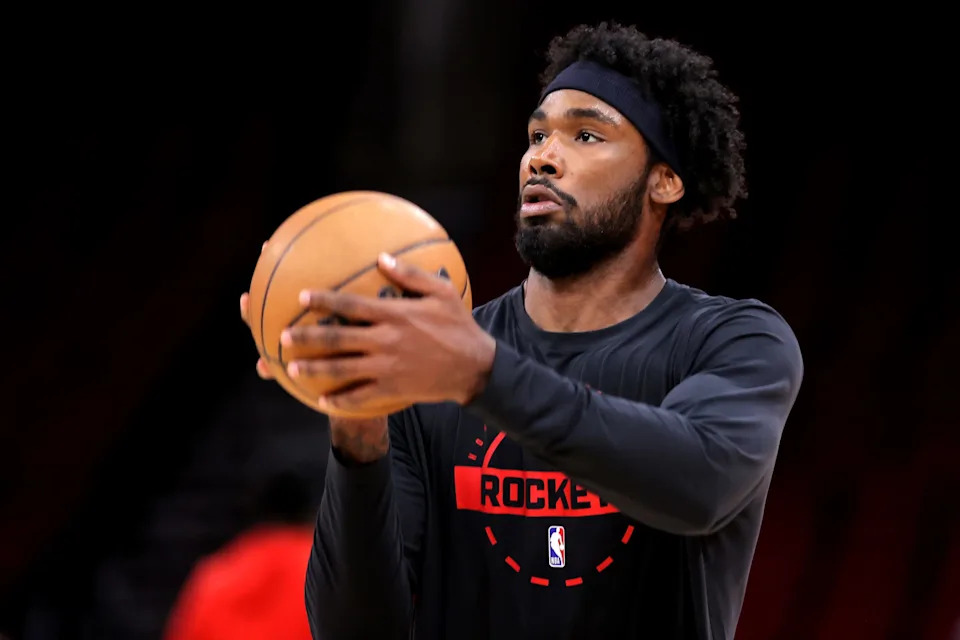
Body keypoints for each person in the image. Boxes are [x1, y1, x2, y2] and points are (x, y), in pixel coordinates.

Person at [239, 21, 803, 640]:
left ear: (664, 180)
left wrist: (480, 374)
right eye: (537, 135)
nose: (542, 156)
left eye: (586, 135)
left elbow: (698, 483)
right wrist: (357, 433)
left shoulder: (735, 341)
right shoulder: (431, 363)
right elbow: (356, 631)